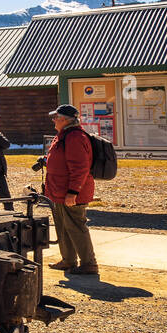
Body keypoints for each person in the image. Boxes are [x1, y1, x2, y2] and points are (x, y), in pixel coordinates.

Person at [43, 104, 98, 275]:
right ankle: (68, 260)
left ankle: (88, 263)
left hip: (71, 193)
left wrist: (73, 192)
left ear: (65, 120)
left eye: (56, 117)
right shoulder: (65, 135)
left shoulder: (74, 137)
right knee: (64, 227)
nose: (53, 120)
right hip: (60, 191)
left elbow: (80, 167)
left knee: (76, 227)